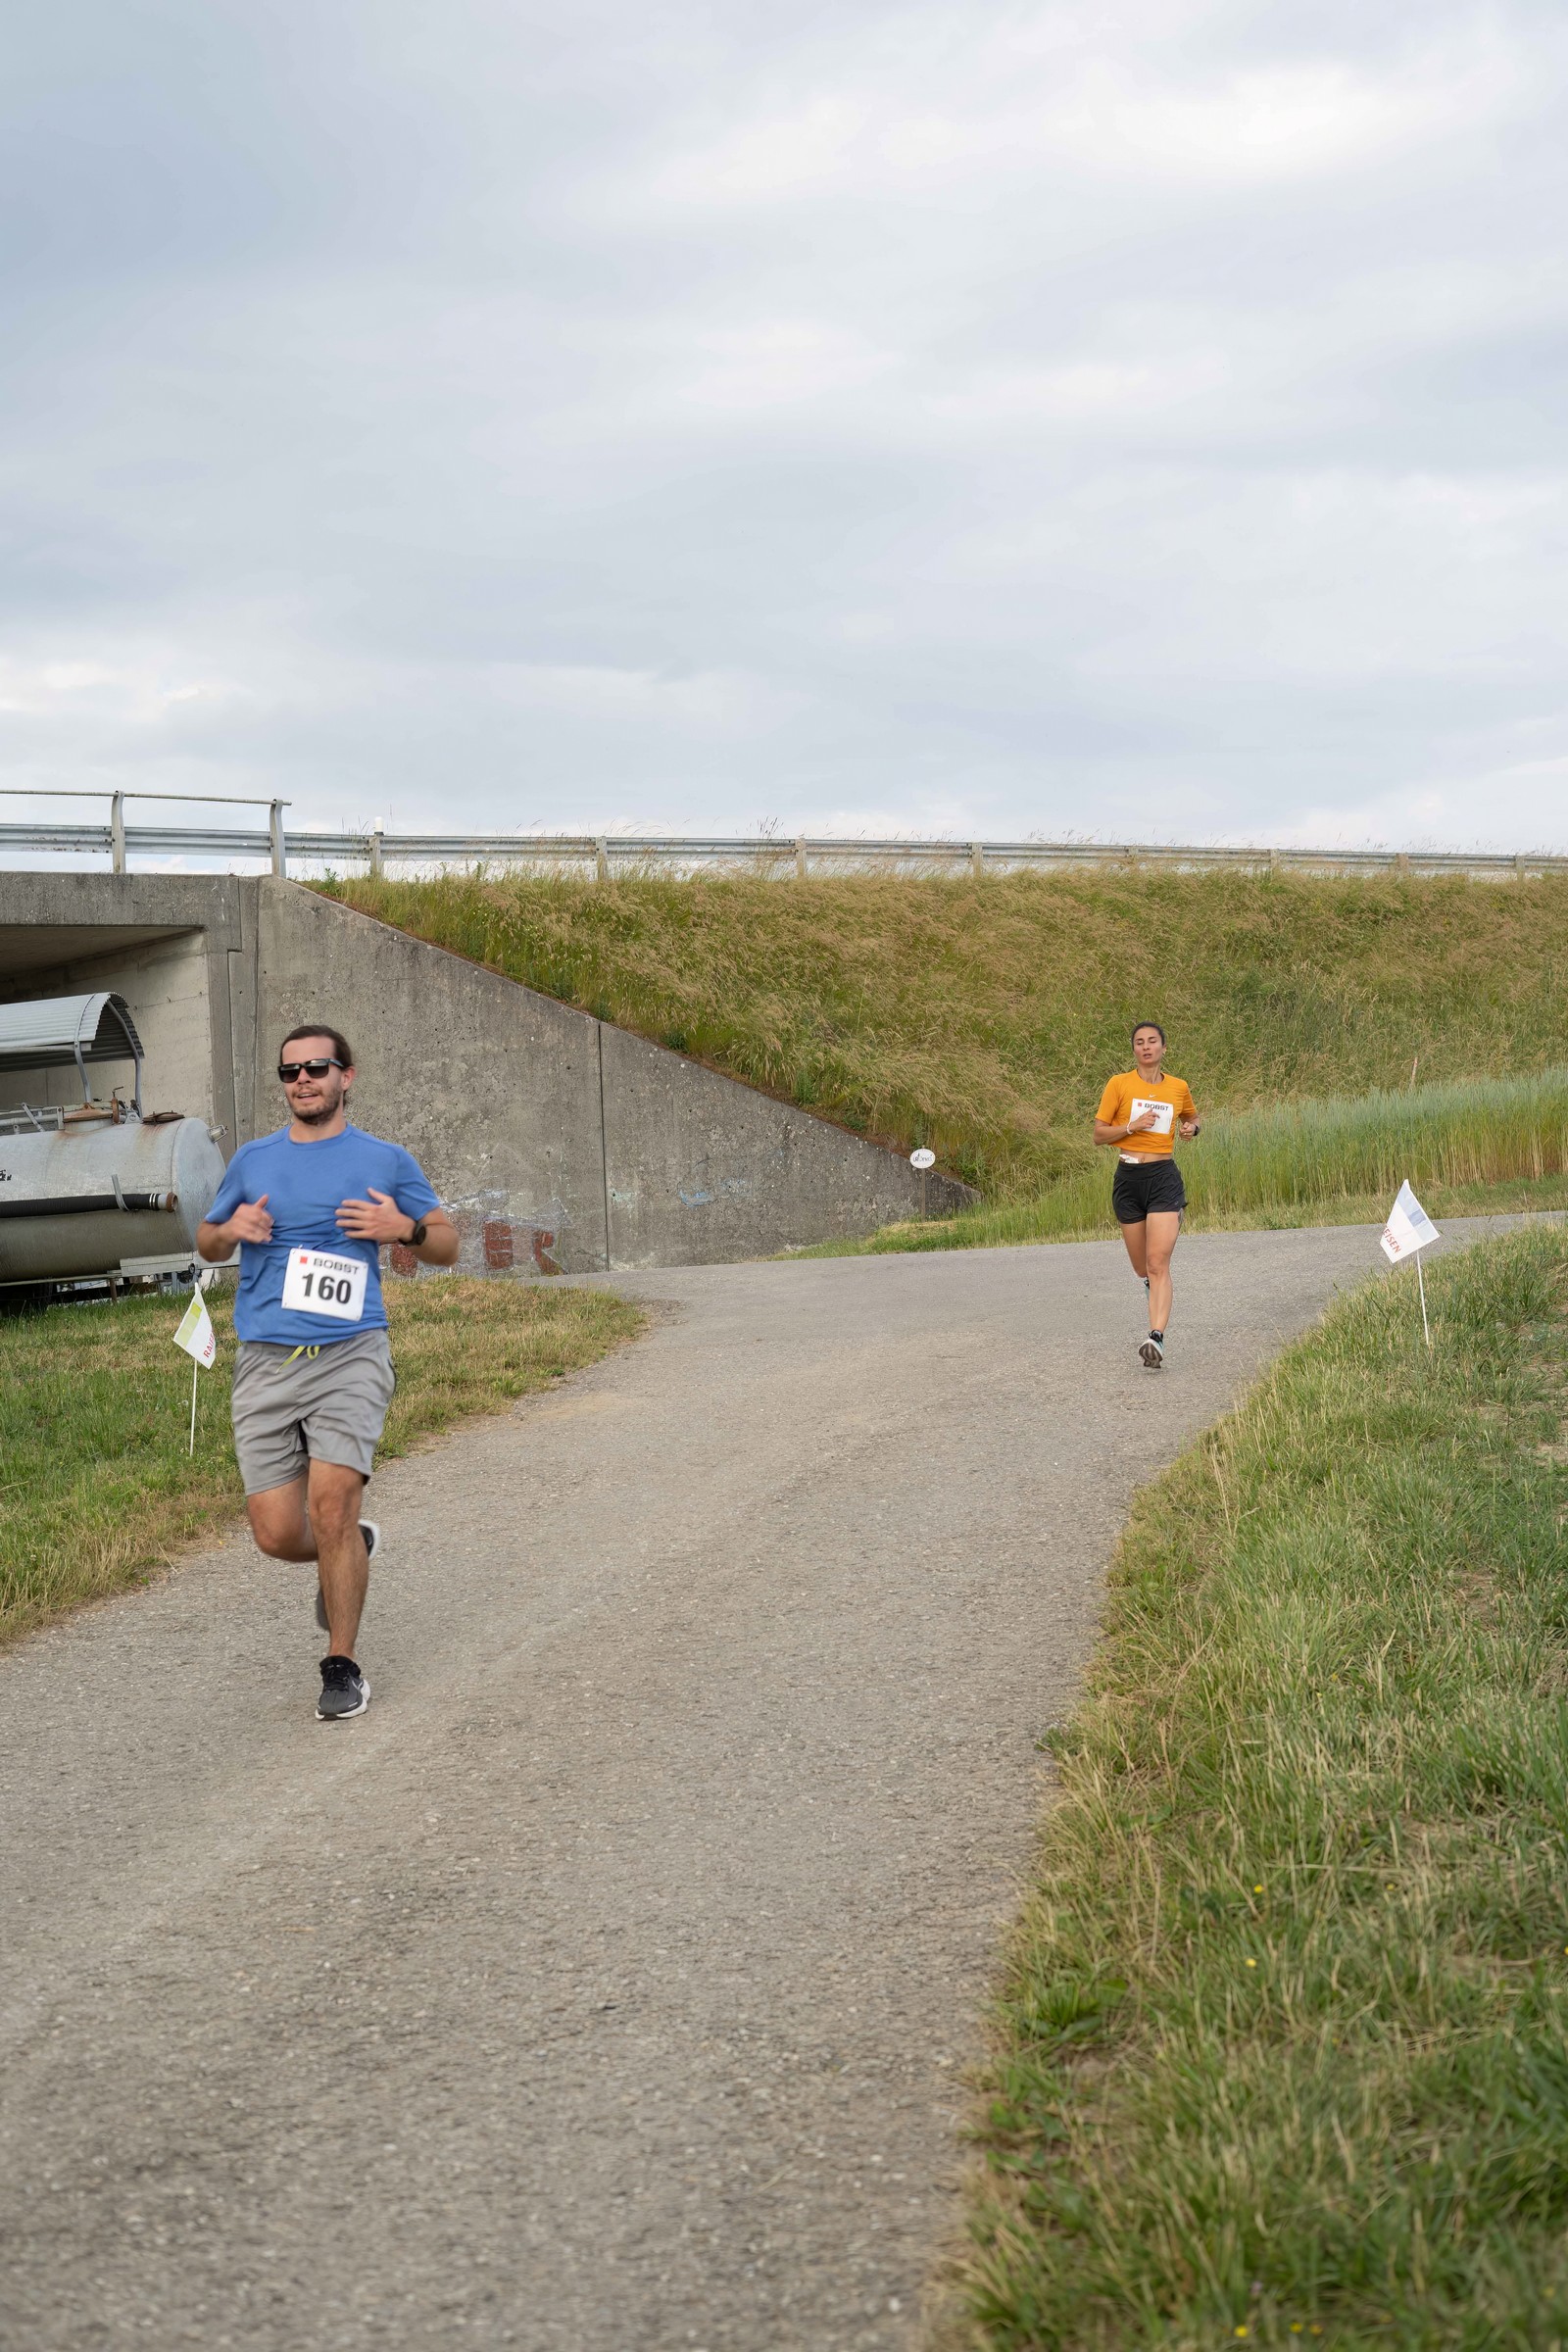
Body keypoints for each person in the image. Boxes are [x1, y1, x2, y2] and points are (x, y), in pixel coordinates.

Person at [197, 1024, 459, 1719]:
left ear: (347, 1076)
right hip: (266, 1361)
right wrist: (230, 1232)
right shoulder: (253, 1161)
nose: (303, 1080)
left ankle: (342, 1667)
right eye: (290, 1072)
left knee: (333, 1505)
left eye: (316, 1068)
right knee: (278, 1534)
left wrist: (404, 1231)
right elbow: (206, 1239)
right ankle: (350, 1549)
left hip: (351, 1354)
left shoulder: (384, 1159)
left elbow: (448, 1244)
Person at [1094, 1021, 1200, 1371]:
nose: (1146, 1047)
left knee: (1157, 1263)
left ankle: (1156, 1337)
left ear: (1163, 1048)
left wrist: (1192, 1128)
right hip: (1128, 1179)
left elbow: (1192, 1117)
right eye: (1139, 1042)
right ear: (1134, 1050)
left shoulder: (1178, 1087)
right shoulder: (1119, 1084)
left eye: (1152, 1041)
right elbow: (1098, 1135)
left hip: (1163, 1177)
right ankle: (1152, 1290)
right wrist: (1131, 1127)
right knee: (1143, 1268)